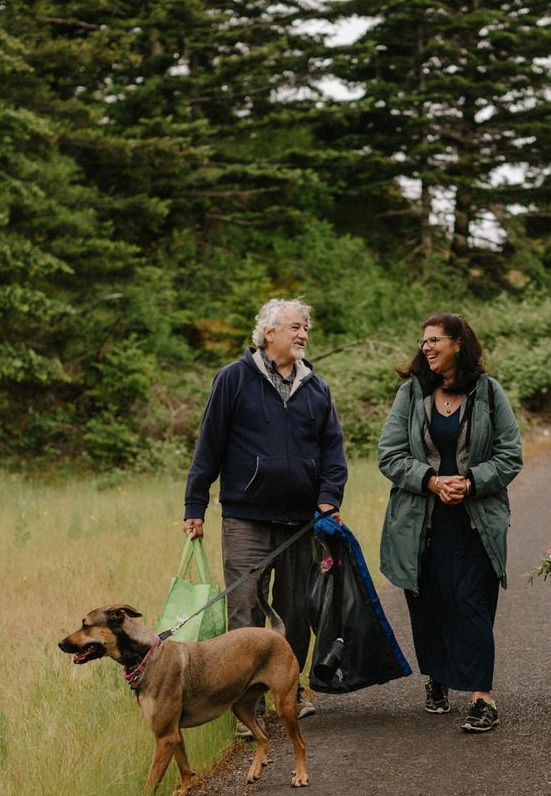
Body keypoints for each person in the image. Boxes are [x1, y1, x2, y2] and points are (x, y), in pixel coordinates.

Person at [183, 297, 348, 724]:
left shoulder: (316, 387)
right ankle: (246, 706)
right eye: (295, 327)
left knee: (295, 612)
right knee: (245, 612)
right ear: (268, 332)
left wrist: (329, 499)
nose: (303, 334)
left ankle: (289, 695)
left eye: (306, 328)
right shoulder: (233, 378)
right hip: (245, 518)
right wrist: (195, 505)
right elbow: (209, 446)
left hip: (301, 521)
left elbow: (333, 452)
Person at [377, 313, 522, 734]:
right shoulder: (411, 393)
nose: (426, 347)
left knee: (472, 601)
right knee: (429, 602)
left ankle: (481, 696)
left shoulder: (489, 393)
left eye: (435, 339)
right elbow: (389, 454)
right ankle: (437, 677)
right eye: (423, 341)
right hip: (420, 520)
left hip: (476, 520)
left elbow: (510, 455)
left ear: (458, 344)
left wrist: (471, 482)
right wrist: (430, 480)